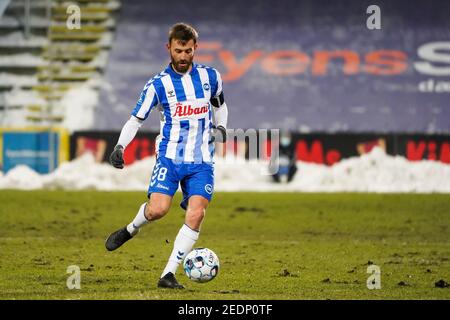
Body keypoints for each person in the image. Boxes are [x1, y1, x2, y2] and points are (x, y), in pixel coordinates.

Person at [104, 22, 228, 289]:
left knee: (196, 214)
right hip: (169, 159)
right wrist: (119, 146)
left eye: (188, 51)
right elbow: (135, 120)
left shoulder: (211, 77)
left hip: (201, 161)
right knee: (158, 210)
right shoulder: (157, 85)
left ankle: (168, 274)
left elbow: (220, 104)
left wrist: (221, 127)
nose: (183, 56)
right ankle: (130, 229)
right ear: (169, 48)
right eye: (178, 50)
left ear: (196, 49)